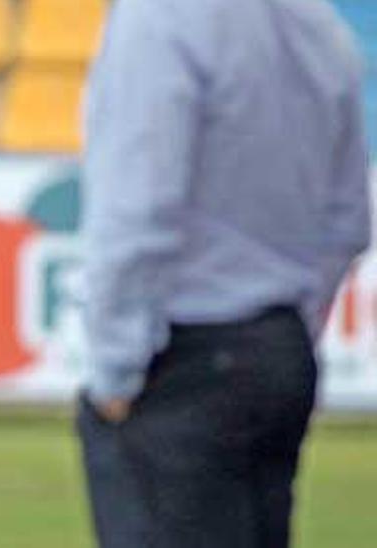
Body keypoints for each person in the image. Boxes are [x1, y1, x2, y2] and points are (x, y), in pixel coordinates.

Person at [79, 0, 371, 547]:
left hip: (181, 360)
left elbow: (139, 208)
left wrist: (115, 370)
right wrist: (280, 331)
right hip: (276, 347)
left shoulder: (162, 18)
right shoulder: (319, 28)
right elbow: (348, 221)